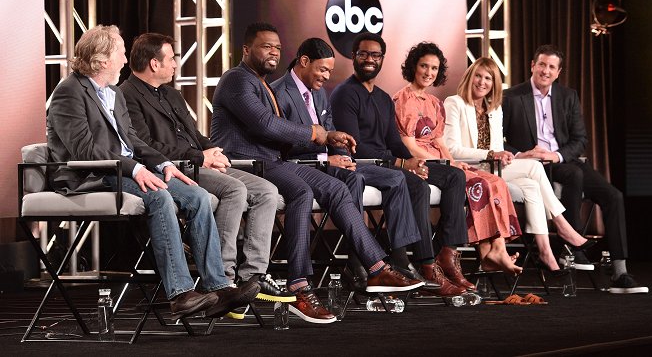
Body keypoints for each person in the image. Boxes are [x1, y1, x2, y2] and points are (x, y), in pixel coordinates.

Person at [210, 22, 423, 324]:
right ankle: (299, 287)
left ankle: (377, 269)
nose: (273, 52)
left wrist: (329, 137)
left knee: (338, 189)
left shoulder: (261, 84)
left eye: (277, 48)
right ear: (246, 50)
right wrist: (317, 134)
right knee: (302, 192)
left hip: (272, 161)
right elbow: (264, 125)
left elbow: (277, 133)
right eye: (265, 46)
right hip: (246, 163)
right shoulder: (236, 80)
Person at [46, 25, 259, 321]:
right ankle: (181, 294)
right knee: (158, 197)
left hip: (127, 171)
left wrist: (164, 164)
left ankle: (219, 288)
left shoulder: (112, 94)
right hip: (91, 176)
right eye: (120, 53)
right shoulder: (69, 92)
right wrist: (134, 168)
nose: (124, 60)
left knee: (198, 196)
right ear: (101, 59)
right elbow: (84, 151)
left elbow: (132, 140)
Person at [119, 33, 292, 319]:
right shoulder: (126, 95)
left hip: (199, 162)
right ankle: (224, 279)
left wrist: (211, 149)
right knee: (235, 189)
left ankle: (254, 277)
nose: (176, 64)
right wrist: (200, 157)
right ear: (153, 63)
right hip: (173, 167)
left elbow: (193, 134)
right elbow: (145, 145)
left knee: (266, 191)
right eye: (172, 58)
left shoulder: (171, 94)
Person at [271, 37, 438, 291]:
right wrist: (330, 159)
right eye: (323, 70)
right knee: (366, 177)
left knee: (386, 178)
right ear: (304, 62)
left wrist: (340, 155)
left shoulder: (319, 93)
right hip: (302, 167)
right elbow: (284, 147)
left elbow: (330, 133)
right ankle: (359, 261)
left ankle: (389, 262)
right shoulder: (280, 93)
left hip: (334, 162)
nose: (327, 76)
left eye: (329, 71)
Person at [330, 32, 471, 297]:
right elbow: (353, 146)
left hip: (387, 164)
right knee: (412, 184)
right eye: (363, 54)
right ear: (353, 57)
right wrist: (400, 162)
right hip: (361, 165)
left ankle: (439, 256)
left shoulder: (383, 99)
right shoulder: (344, 94)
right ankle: (417, 263)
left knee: (446, 177)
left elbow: (394, 141)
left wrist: (413, 161)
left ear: (382, 59)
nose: (369, 59)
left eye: (375, 55)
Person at [502, 44, 648, 293]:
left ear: (558, 72)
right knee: (574, 175)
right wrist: (525, 154)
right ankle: (572, 247)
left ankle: (620, 271)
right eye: (542, 65)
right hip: (530, 164)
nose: (545, 71)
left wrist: (556, 155)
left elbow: (580, 139)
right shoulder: (512, 97)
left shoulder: (568, 96)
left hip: (562, 160)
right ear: (532, 66)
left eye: (551, 67)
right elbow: (500, 139)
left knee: (613, 196)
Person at [443, 56, 595, 275]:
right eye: (478, 75)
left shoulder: (494, 109)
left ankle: (545, 252)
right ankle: (563, 226)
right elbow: (452, 149)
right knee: (535, 168)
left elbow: (498, 149)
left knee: (532, 186)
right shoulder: (454, 103)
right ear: (470, 77)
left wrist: (519, 155)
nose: (482, 82)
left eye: (488, 78)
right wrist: (492, 153)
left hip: (493, 166)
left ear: (494, 84)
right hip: (471, 167)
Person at [393, 42, 522, 276]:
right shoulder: (402, 99)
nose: (429, 73)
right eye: (424, 66)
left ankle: (495, 249)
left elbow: (441, 143)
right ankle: (470, 254)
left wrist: (453, 161)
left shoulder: (434, 103)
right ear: (414, 67)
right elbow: (409, 145)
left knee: (496, 182)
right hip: (420, 163)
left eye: (434, 68)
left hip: (442, 164)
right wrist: (448, 164)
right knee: (478, 183)